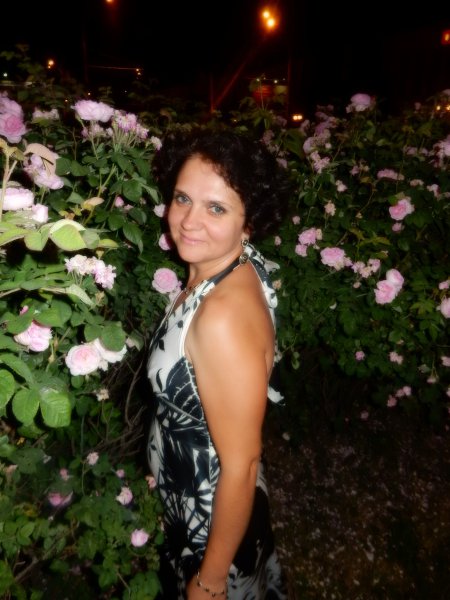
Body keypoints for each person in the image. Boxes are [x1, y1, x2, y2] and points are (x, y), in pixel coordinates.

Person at [147, 127, 292, 599]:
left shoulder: (221, 318)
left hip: (210, 522)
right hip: (189, 488)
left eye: (216, 208)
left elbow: (241, 465)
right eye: (182, 198)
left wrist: (210, 582)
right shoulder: (234, 264)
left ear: (248, 222)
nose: (189, 221)